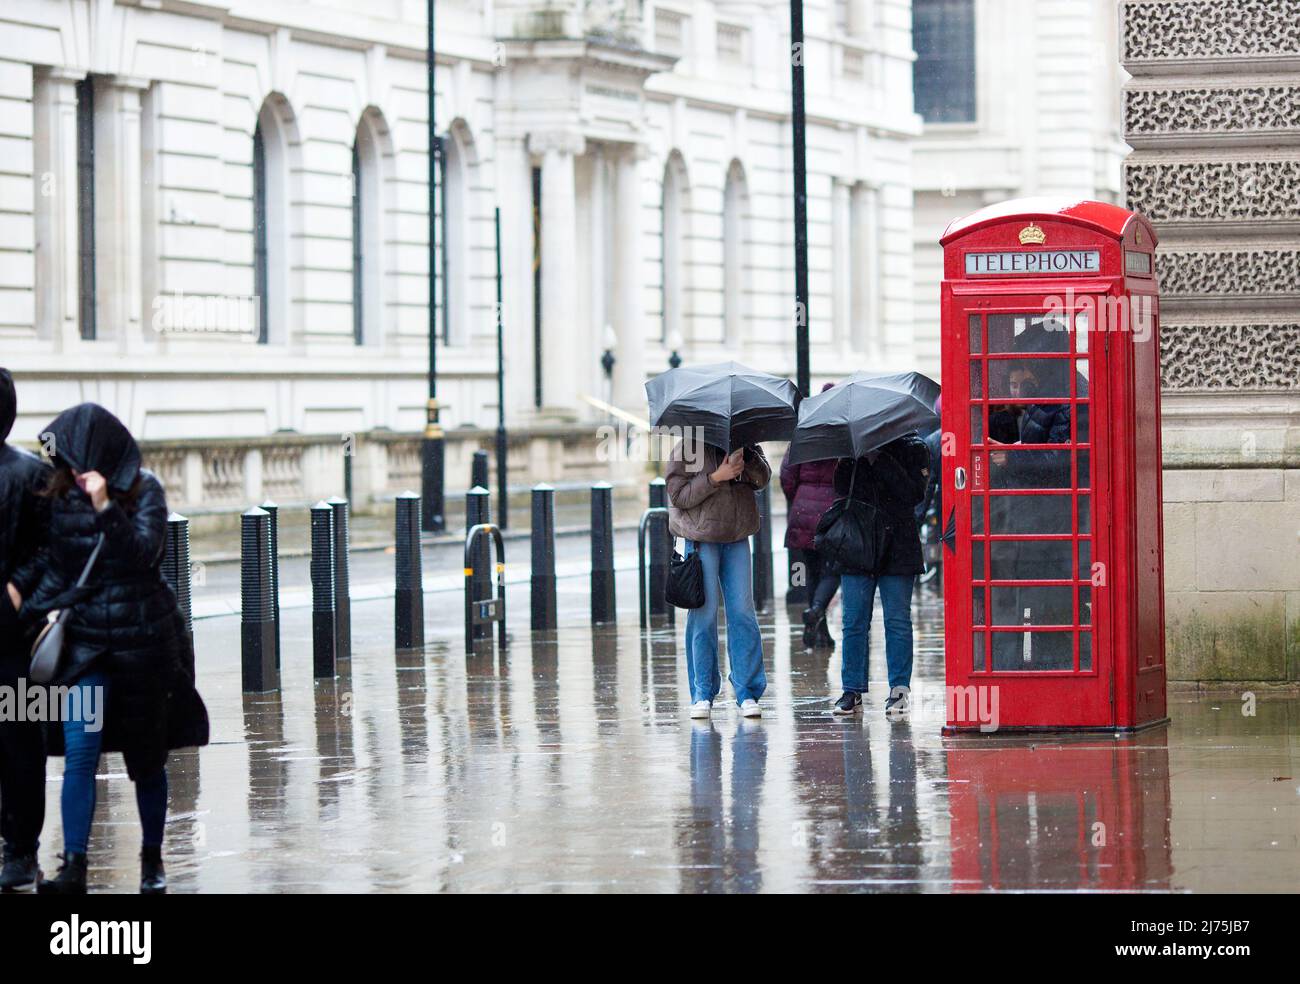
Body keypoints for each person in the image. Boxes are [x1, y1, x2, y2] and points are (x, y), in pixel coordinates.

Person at [23, 403, 208, 894]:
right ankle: (75, 866)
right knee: (80, 751)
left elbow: (144, 555)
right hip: (87, 649)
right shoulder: (61, 497)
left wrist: (106, 507)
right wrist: (20, 612)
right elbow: (58, 571)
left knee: (147, 759)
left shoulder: (145, 490)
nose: (68, 469)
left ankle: (151, 860)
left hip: (143, 648)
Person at [666, 437, 771, 720]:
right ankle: (702, 692)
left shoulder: (745, 441)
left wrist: (746, 463)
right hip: (701, 538)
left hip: (736, 537)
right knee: (704, 613)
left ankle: (747, 691)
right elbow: (677, 495)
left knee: (743, 612)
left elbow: (763, 478)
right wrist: (715, 478)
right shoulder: (689, 444)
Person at [829, 433, 930, 718]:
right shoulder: (853, 446)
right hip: (858, 544)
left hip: (898, 545)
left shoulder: (915, 447)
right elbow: (840, 489)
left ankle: (899, 689)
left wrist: (882, 459)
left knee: (897, 620)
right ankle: (852, 690)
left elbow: (914, 494)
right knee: (854, 621)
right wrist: (853, 456)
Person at [0, 369, 50, 892]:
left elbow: (49, 552)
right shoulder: (31, 473)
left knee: (17, 743)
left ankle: (19, 851)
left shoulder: (29, 475)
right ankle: (15, 849)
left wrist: (18, 588)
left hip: (13, 637)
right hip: (13, 632)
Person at [780, 386, 840, 650]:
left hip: (803, 512)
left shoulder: (802, 433)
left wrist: (799, 500)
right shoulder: (843, 435)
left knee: (812, 572)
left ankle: (820, 631)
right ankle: (816, 611)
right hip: (832, 513)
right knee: (834, 569)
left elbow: (786, 476)